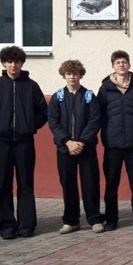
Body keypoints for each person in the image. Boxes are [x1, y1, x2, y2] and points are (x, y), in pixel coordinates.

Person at [0, 46, 47, 240]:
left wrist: (30, 126)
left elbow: (42, 111)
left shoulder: (31, 86)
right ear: (3, 63)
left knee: (26, 183)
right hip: (2, 142)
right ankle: (6, 224)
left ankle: (27, 225)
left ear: (22, 63)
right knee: (2, 183)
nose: (13, 65)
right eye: (9, 62)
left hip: (25, 142)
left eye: (16, 62)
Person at [48, 59, 105, 234]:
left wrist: (81, 142)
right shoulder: (57, 97)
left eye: (75, 74)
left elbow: (95, 121)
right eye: (69, 74)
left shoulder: (89, 96)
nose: (72, 77)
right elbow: (53, 122)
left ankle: (95, 219)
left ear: (80, 75)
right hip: (65, 148)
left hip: (86, 148)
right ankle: (71, 221)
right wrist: (67, 141)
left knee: (90, 184)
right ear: (64, 75)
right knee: (68, 184)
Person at [98, 50, 133, 230]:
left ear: (129, 65)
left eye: (124, 62)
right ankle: (111, 219)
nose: (121, 65)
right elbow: (99, 116)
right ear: (113, 66)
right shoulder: (105, 89)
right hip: (113, 144)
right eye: (118, 62)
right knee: (111, 183)